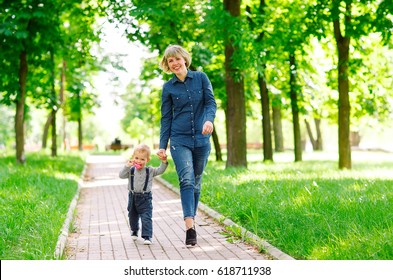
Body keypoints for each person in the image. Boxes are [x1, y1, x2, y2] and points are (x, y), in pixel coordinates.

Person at [156, 44, 217, 246]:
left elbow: (210, 103)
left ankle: (192, 217)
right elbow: (166, 118)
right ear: (167, 64)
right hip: (179, 139)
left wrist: (209, 120)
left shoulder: (201, 78)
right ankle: (190, 228)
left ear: (184, 59)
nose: (174, 63)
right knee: (187, 180)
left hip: (201, 140)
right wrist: (162, 145)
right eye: (170, 60)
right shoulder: (168, 88)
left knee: (196, 180)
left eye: (177, 59)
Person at [119, 143, 168, 245]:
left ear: (147, 160)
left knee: (146, 217)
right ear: (133, 158)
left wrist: (163, 162)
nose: (139, 161)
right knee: (132, 216)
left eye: (142, 159)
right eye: (136, 158)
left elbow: (160, 170)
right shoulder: (130, 170)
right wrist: (126, 166)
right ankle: (134, 230)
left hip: (145, 198)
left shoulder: (149, 171)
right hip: (132, 197)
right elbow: (121, 175)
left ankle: (147, 236)